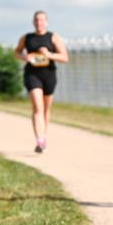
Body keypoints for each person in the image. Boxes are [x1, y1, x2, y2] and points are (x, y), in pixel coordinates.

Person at [14, 11, 69, 153]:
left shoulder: (53, 37)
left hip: (49, 75)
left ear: (47, 22)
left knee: (45, 109)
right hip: (32, 74)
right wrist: (25, 57)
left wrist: (49, 54)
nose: (39, 23)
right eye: (37, 20)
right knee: (37, 108)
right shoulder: (27, 38)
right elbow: (16, 52)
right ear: (33, 22)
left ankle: (44, 135)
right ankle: (40, 140)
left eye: (42, 20)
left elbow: (64, 57)